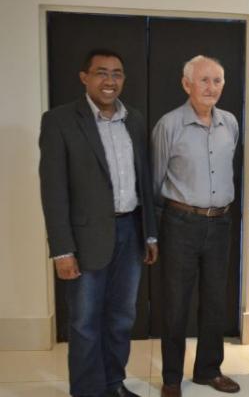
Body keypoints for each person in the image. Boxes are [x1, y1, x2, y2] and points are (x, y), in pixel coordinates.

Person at [39, 48, 158, 397]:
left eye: (117, 73)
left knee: (121, 320)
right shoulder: (59, 121)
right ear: (84, 78)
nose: (110, 81)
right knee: (85, 323)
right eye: (102, 73)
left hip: (131, 232)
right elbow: (54, 191)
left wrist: (150, 233)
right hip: (85, 239)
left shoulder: (134, 119)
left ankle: (113, 384)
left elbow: (144, 181)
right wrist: (62, 250)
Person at [152, 55, 240, 397]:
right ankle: (172, 378)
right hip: (180, 223)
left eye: (217, 80)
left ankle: (208, 370)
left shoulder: (229, 123)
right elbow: (155, 179)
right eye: (204, 80)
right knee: (175, 303)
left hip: (220, 224)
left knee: (215, 301)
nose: (211, 87)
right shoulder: (169, 125)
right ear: (186, 84)